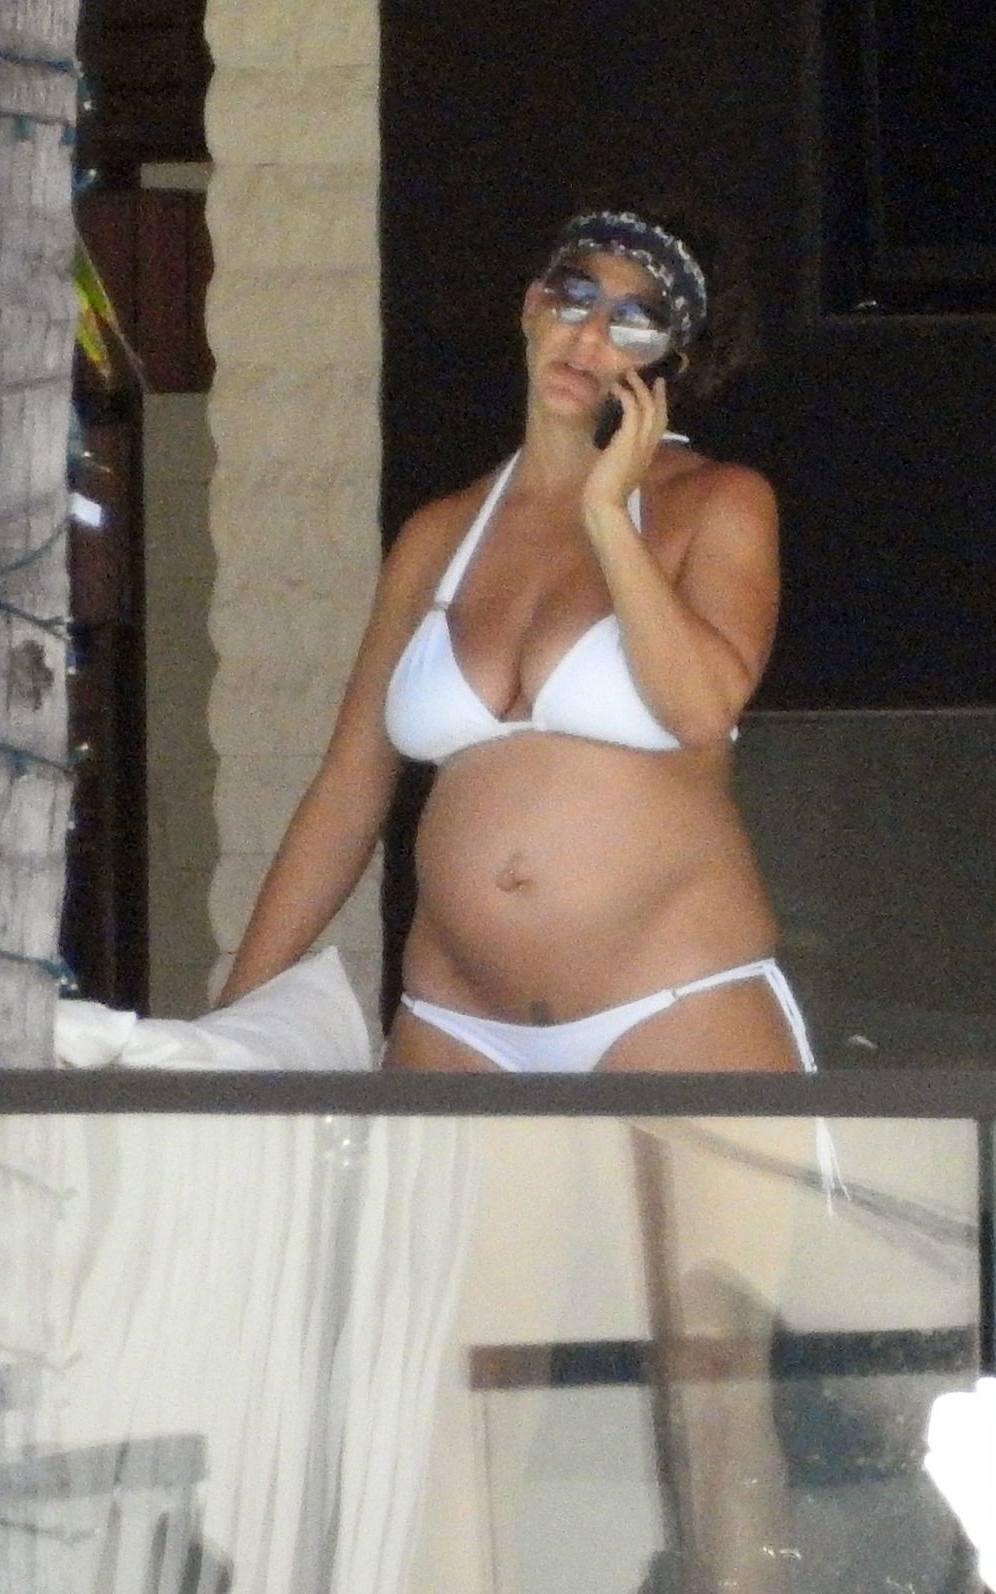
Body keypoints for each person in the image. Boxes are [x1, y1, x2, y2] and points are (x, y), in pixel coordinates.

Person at [219, 204, 813, 1076]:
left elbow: (699, 710)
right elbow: (349, 789)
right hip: (456, 1022)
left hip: (673, 1002)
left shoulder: (717, 501)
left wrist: (606, 513)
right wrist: (233, 1020)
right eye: (575, 298)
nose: (590, 336)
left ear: (667, 363)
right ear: (533, 307)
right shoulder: (439, 533)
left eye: (633, 321)